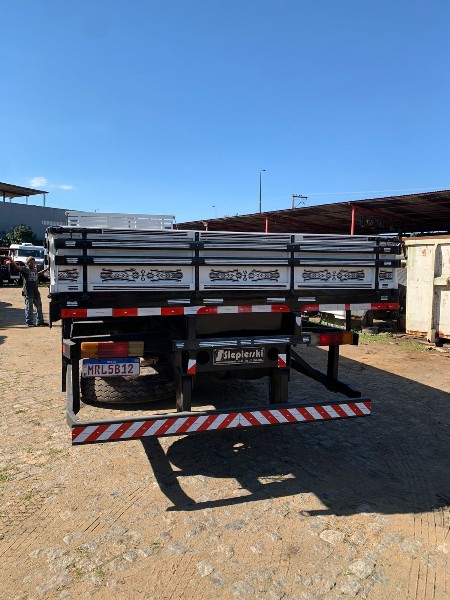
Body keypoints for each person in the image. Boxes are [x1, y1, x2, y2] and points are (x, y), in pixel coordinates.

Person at [9, 254, 49, 327]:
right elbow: (17, 267)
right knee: (29, 308)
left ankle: (40, 322)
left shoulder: (35, 270)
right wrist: (11, 260)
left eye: (34, 262)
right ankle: (29, 322)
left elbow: (39, 274)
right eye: (31, 262)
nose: (33, 264)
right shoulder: (25, 270)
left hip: (36, 292)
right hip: (28, 293)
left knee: (39, 307)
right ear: (28, 263)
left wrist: (47, 269)